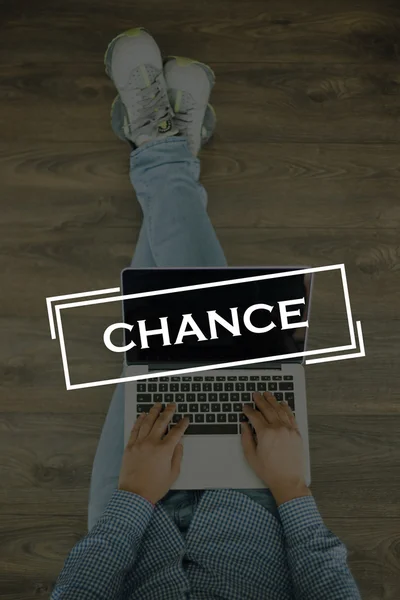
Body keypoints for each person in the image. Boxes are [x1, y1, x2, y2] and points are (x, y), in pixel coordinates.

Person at [51, 29, 361, 599]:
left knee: (174, 320)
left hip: (131, 520)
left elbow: (78, 591)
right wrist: (291, 486)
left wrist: (134, 498)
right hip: (255, 492)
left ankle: (165, 147)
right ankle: (163, 149)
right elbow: (328, 585)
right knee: (206, 312)